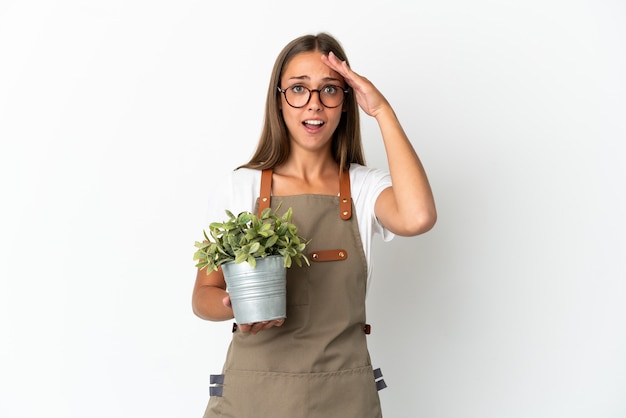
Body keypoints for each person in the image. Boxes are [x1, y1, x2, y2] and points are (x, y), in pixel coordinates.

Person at [192, 32, 436, 418]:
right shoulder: (240, 186)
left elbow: (418, 217)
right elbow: (203, 296)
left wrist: (383, 110)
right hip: (253, 395)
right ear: (279, 99)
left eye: (330, 90)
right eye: (298, 89)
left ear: (346, 101)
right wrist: (234, 304)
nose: (314, 104)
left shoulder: (363, 186)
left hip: (343, 395)